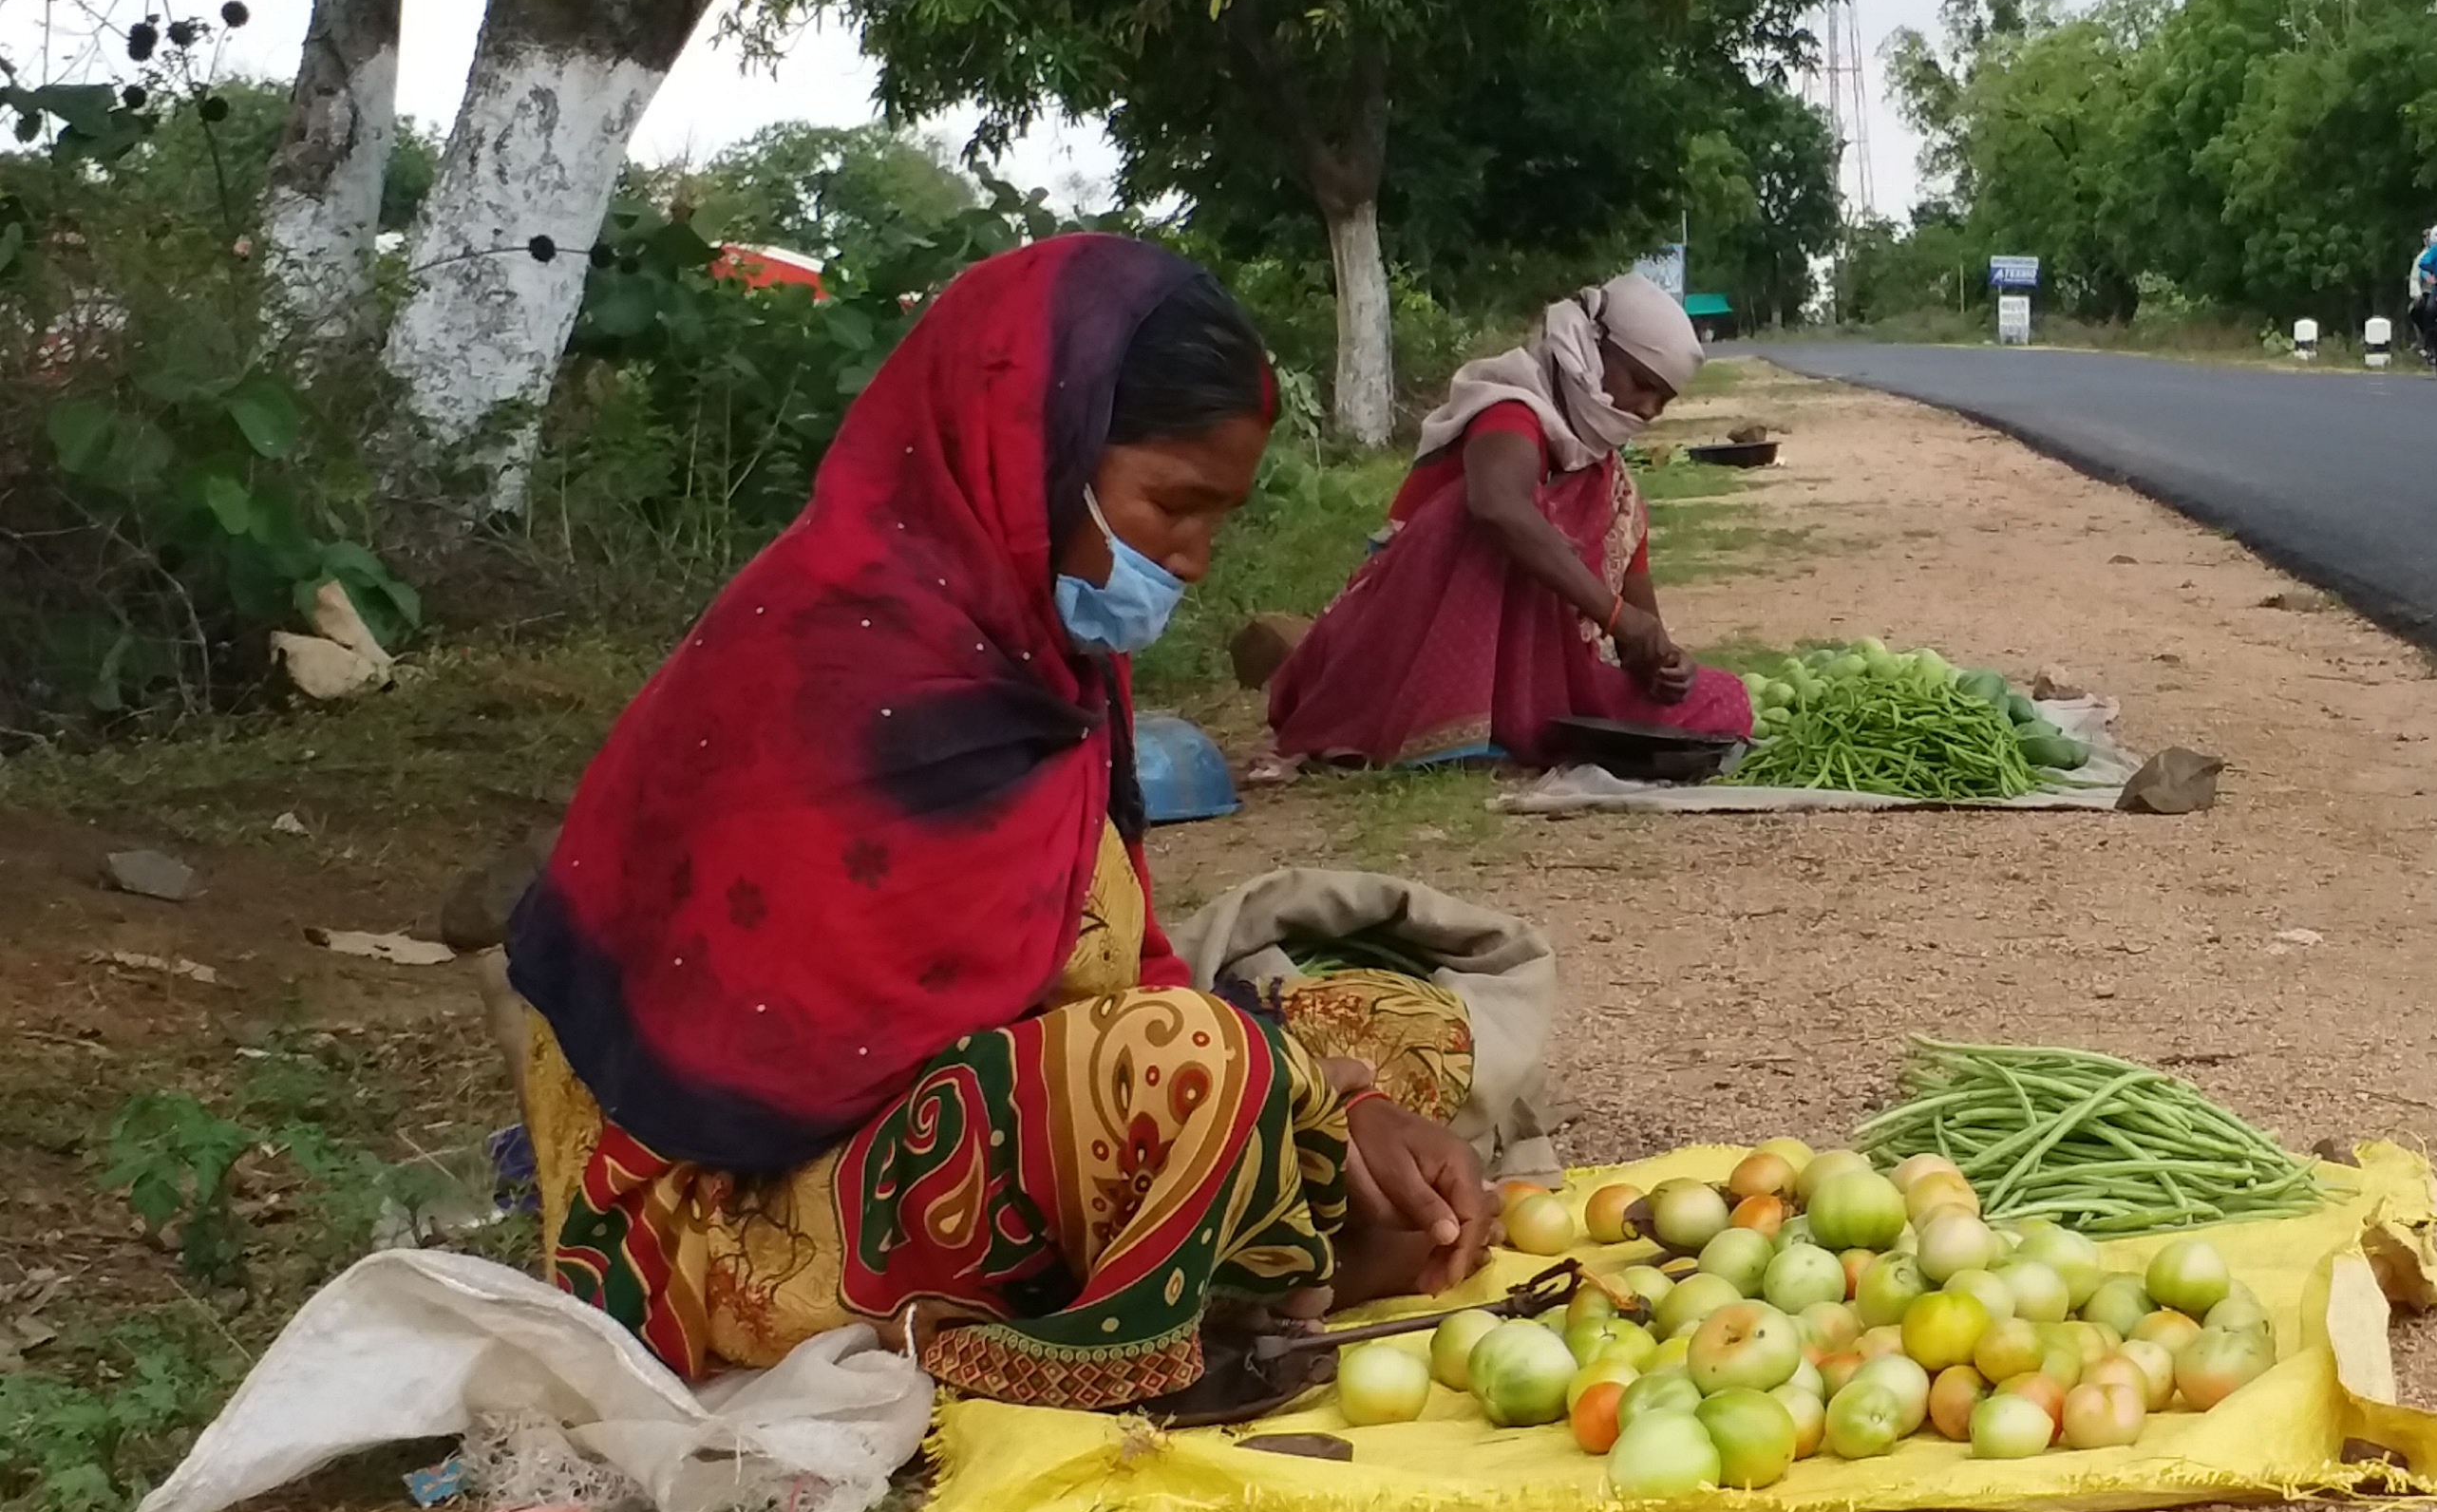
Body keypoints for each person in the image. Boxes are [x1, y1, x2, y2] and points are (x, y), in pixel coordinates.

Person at [507, 235, 1498, 1415]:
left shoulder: (1050, 650)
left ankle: (1270, 1221)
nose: (1192, 557)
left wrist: (1346, 1102)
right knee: (1202, 1072)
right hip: (744, 1200)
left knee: (1397, 1022)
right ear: (1041, 450)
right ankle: (1190, 1294)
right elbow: (849, 1051)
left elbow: (1120, 949)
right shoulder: (842, 659)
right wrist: (1289, 1111)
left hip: (971, 1115)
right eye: (1173, 504)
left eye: (1217, 518)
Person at [1263, 275, 1756, 768]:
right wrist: (1614, 615)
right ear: (1592, 350)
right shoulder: (1509, 409)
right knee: (1492, 515)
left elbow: (1640, 634)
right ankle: (1438, 724)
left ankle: (1507, 721)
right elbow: (1497, 506)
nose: (1647, 410)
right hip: (1399, 647)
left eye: (1663, 401)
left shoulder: (1609, 483)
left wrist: (1661, 665)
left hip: (1535, 679)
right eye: (1642, 385)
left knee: (1725, 700)